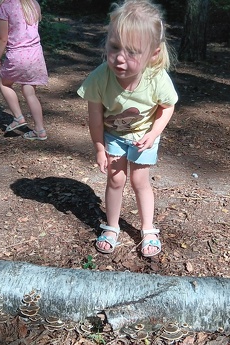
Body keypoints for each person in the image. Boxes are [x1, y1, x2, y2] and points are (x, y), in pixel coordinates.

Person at [77, 0, 178, 257]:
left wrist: (153, 134)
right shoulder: (100, 78)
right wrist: (100, 148)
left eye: (132, 52)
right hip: (113, 137)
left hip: (144, 136)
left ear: (153, 54)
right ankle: (111, 226)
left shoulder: (156, 78)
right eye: (114, 47)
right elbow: (96, 118)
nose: (120, 58)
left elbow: (167, 108)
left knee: (139, 180)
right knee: (115, 179)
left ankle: (147, 229)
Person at [0, 0, 48, 140]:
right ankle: (40, 130)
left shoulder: (5, 6)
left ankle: (18, 117)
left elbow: (2, 38)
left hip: (17, 55)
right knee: (29, 91)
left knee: (4, 83)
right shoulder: (33, 4)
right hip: (36, 55)